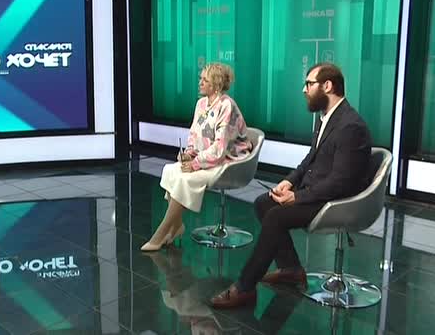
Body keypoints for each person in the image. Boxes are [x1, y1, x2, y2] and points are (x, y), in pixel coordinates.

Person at [210, 63, 373, 308]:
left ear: (327, 86)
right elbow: (310, 159)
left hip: (338, 200)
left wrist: (298, 197)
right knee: (263, 203)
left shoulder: (350, 126)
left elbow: (341, 182)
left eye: (309, 84)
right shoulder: (327, 117)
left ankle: (245, 287)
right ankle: (291, 269)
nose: (304, 90)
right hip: (319, 191)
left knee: (276, 217)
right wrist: (288, 182)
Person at [141, 63, 253, 251]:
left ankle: (162, 232)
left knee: (185, 179)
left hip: (228, 160)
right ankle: (177, 226)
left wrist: (195, 164)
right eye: (201, 78)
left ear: (216, 85)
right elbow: (195, 135)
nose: (200, 82)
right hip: (206, 158)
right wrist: (189, 153)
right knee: (171, 170)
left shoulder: (226, 106)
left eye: (204, 80)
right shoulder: (201, 104)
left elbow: (219, 149)